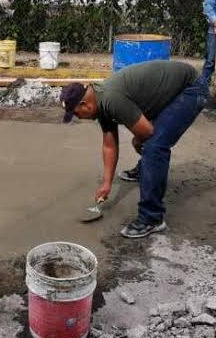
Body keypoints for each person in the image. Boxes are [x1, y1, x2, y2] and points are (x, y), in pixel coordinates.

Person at [60, 60, 208, 238]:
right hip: (171, 89)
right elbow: (109, 144)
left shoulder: (110, 99)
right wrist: (107, 183)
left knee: (154, 147)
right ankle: (144, 170)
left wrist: (138, 142)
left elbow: (146, 131)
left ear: (85, 104)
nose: (79, 117)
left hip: (190, 89)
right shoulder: (99, 101)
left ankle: (152, 218)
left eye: (76, 113)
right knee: (145, 142)